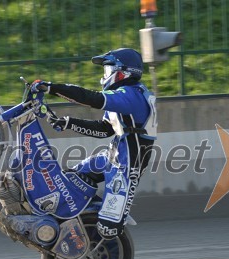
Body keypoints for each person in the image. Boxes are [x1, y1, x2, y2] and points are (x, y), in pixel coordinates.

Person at [30, 48, 157, 240]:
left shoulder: (132, 94)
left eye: (108, 70)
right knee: (70, 177)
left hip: (127, 165)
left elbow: (93, 99)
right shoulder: (123, 96)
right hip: (112, 156)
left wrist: (52, 88)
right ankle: (84, 212)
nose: (104, 76)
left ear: (123, 72)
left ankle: (102, 247)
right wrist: (69, 122)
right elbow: (104, 130)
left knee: (108, 229)